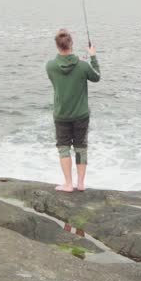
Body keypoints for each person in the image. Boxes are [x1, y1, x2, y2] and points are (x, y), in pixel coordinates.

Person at [46, 28, 100, 192]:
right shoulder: (83, 66)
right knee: (80, 148)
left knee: (63, 148)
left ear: (57, 46)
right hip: (81, 115)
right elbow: (96, 77)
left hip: (61, 114)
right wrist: (92, 56)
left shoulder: (50, 66)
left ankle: (68, 184)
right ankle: (80, 184)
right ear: (71, 44)